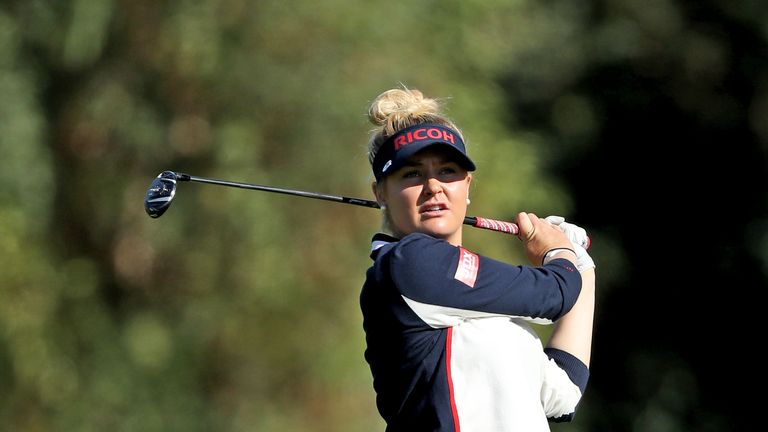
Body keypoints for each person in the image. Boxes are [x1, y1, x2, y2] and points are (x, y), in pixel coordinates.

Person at [359, 87, 596, 432]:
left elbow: (565, 393)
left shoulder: (492, 315)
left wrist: (583, 265)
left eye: (448, 171)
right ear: (380, 192)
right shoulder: (404, 265)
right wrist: (558, 253)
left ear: (467, 185)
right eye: (412, 174)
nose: (433, 186)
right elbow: (553, 294)